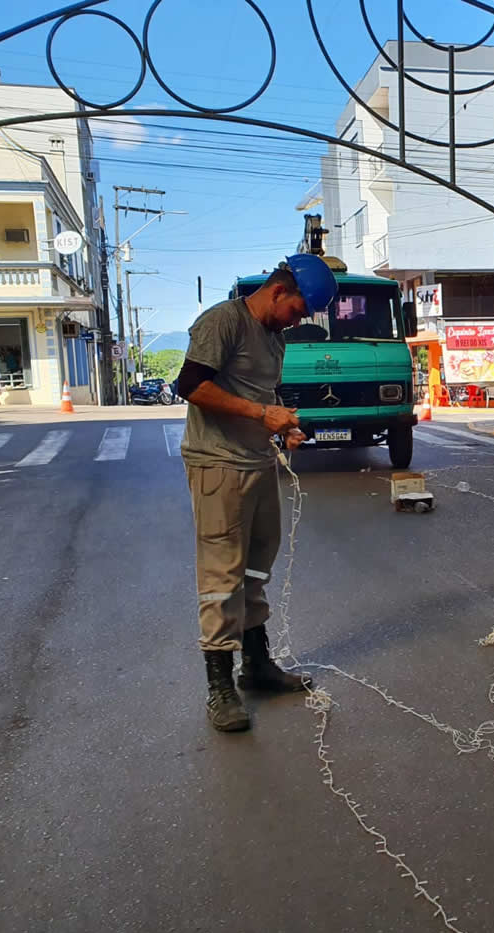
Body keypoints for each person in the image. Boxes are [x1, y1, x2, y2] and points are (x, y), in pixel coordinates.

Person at [174, 254, 338, 732]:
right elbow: (190, 385)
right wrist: (259, 414)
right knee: (222, 572)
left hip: (258, 460)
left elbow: (260, 396)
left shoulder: (274, 336)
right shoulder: (223, 321)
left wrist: (280, 423)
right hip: (218, 463)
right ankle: (219, 687)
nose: (299, 319)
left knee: (256, 564)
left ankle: (257, 666)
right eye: (299, 309)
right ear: (279, 290)